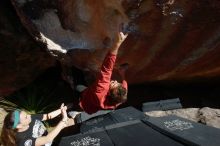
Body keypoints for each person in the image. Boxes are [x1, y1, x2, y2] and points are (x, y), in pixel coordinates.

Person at [75, 31, 128, 115]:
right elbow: (124, 85)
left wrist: (117, 44)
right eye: (118, 83)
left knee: (77, 80)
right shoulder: (119, 99)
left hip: (84, 101)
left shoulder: (101, 91)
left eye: (113, 84)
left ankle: (74, 108)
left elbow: (107, 69)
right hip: (92, 107)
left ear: (108, 93)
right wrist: (122, 74)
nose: (115, 81)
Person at [0, 103, 76, 146]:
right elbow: (47, 139)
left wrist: (62, 110)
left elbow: (48, 116)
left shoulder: (30, 119)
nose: (30, 115)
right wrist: (63, 121)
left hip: (52, 140)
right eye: (26, 117)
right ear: (19, 126)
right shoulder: (23, 141)